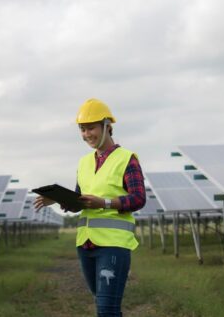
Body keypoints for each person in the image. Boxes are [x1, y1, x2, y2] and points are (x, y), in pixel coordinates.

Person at [35, 98, 146, 317]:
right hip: (85, 244)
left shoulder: (127, 159)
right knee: (104, 305)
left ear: (107, 125)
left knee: (107, 309)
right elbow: (80, 202)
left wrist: (104, 202)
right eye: (82, 130)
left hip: (113, 245)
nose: (87, 135)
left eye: (91, 128)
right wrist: (59, 199)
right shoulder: (84, 162)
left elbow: (138, 199)